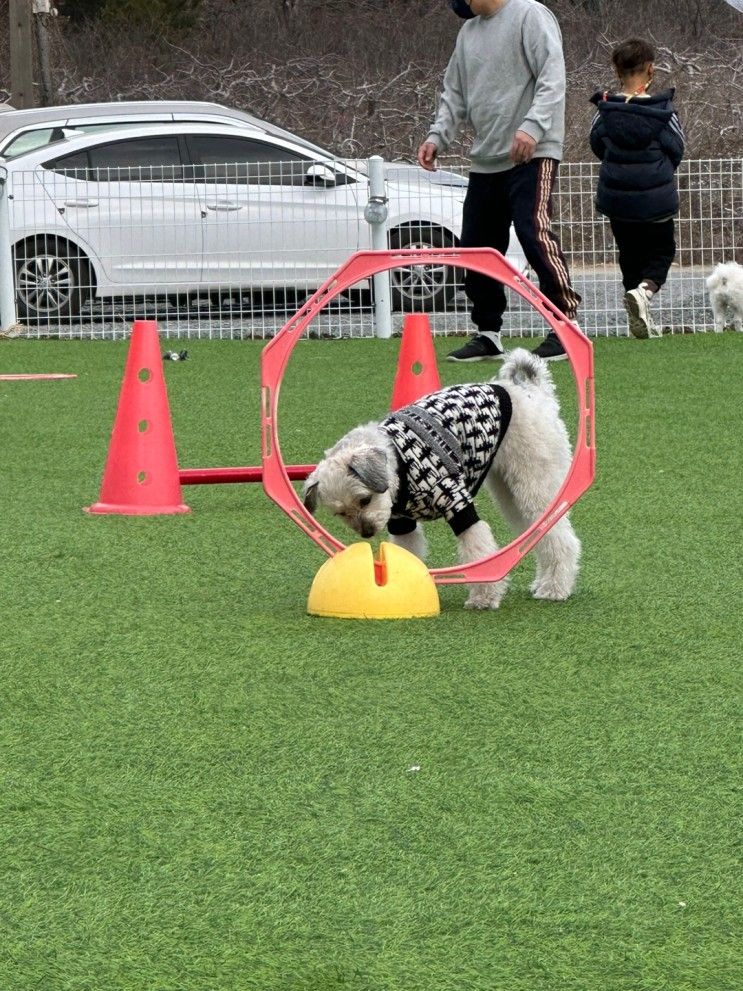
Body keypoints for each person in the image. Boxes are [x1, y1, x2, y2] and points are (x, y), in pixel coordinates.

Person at [418, 0, 581, 363]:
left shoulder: (530, 15)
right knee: (477, 246)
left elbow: (553, 77)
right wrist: (436, 137)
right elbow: (454, 94)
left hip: (531, 152)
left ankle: (564, 324)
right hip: (486, 157)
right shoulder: (468, 33)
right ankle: (488, 332)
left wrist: (533, 127)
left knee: (532, 231)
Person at [589, 38, 685, 339]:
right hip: (656, 198)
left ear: (617, 71)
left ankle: (637, 318)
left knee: (629, 255)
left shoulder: (606, 111)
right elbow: (677, 149)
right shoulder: (662, 112)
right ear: (650, 69)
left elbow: (597, 145)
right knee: (661, 252)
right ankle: (645, 292)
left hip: (618, 200)